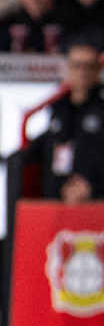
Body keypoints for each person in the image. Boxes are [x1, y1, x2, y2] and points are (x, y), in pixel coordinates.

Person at [26, 39, 104, 203]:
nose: (82, 72)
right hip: (57, 196)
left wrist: (91, 185)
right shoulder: (56, 107)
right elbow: (46, 149)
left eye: (88, 66)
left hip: (96, 199)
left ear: (98, 71)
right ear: (68, 69)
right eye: (77, 66)